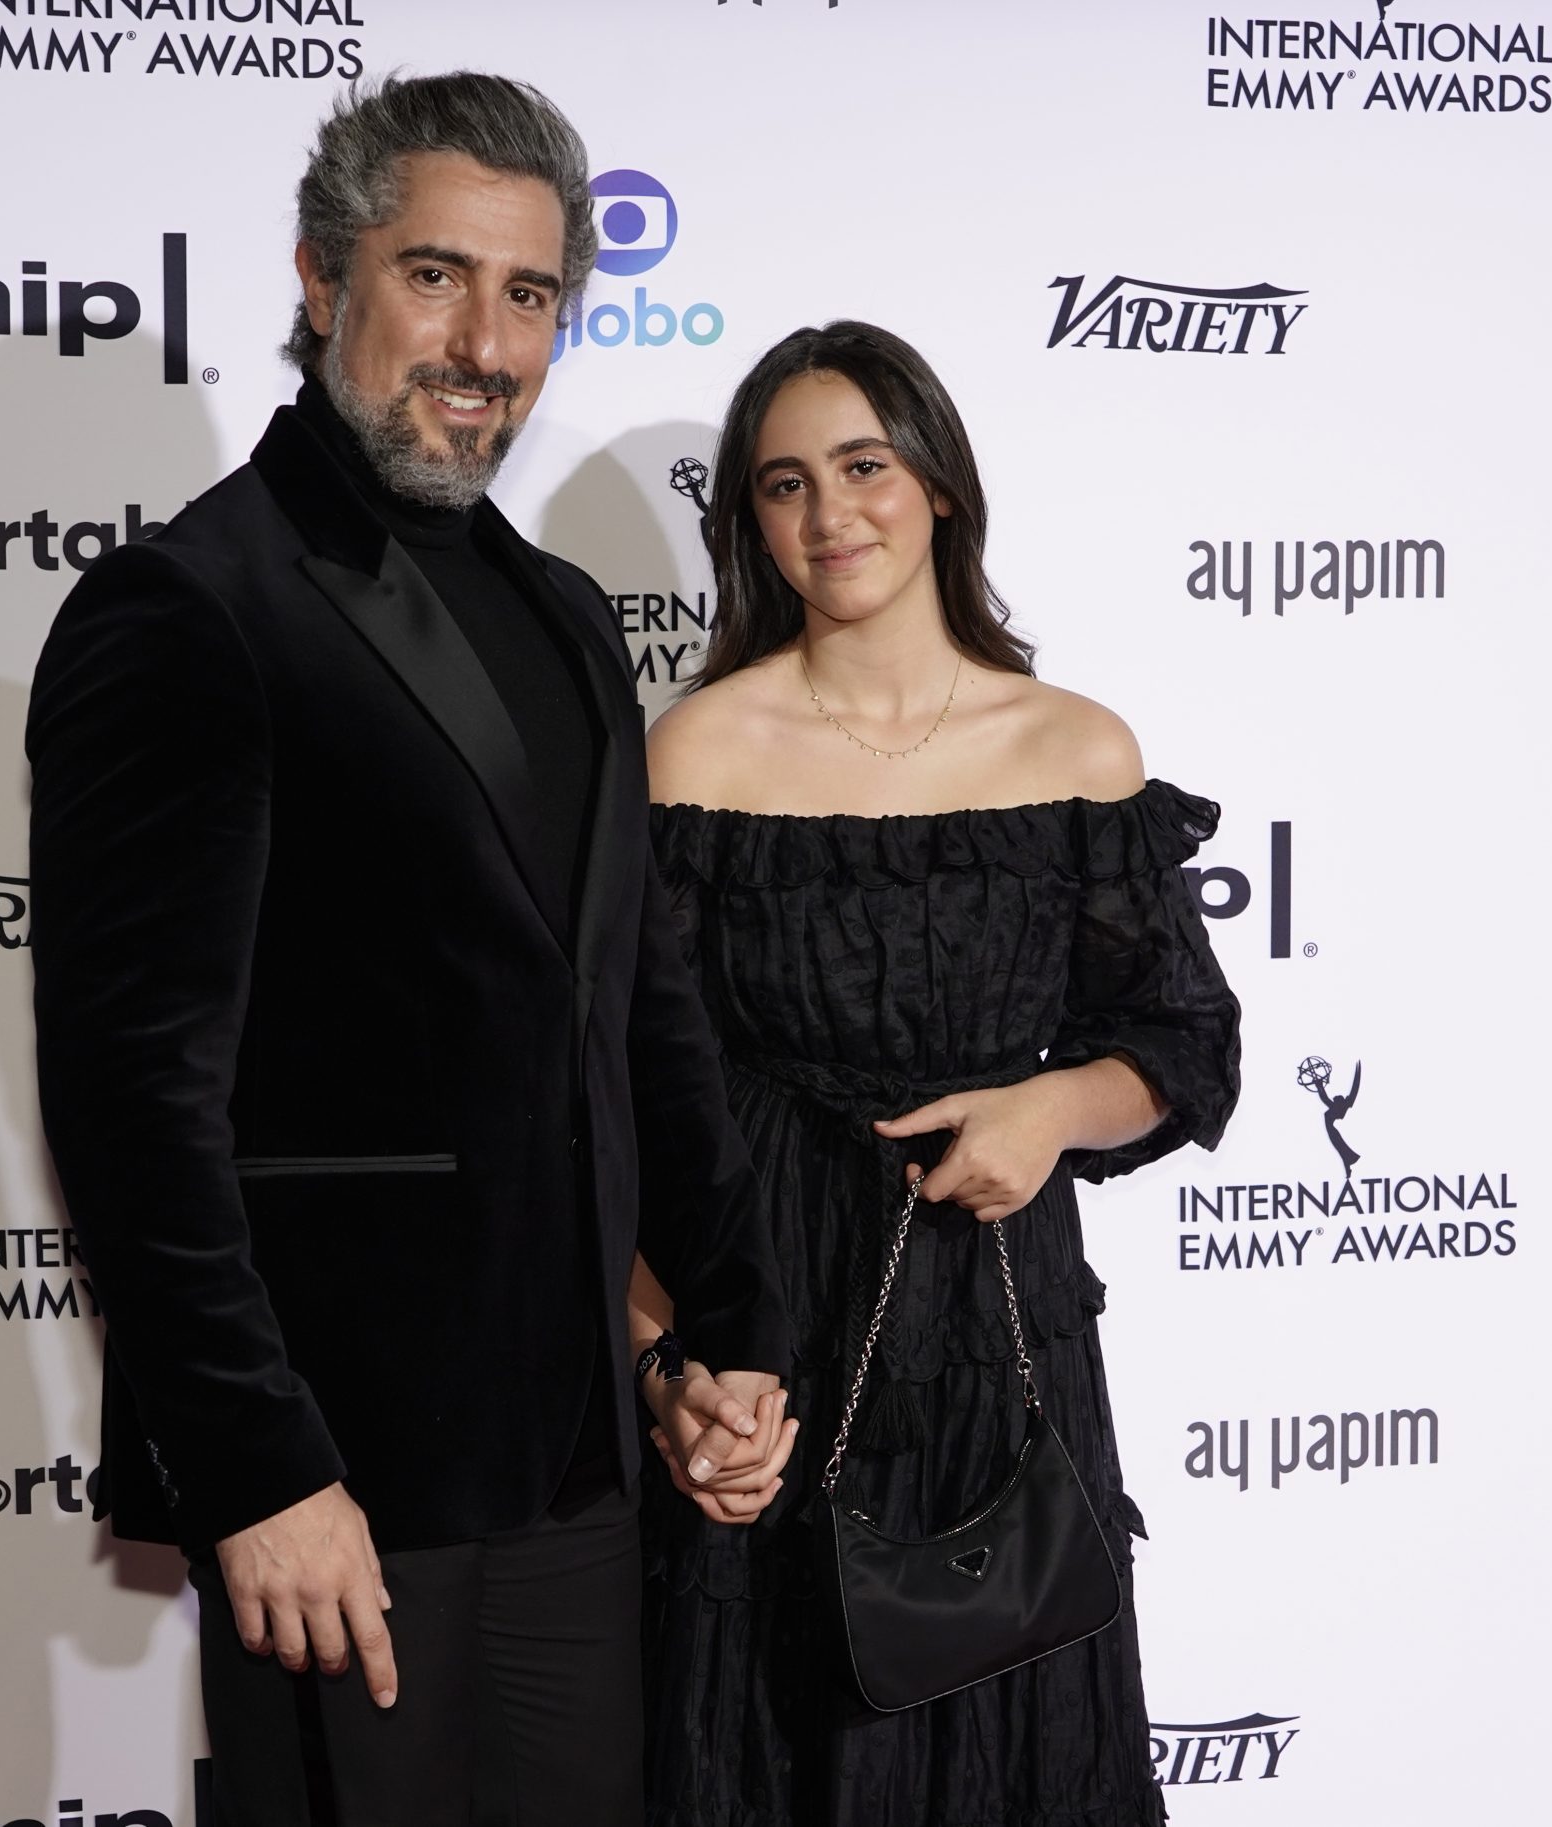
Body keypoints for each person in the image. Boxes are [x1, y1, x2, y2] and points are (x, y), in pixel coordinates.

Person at [24, 73, 794, 1827]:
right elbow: (139, 1102)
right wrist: (260, 1467)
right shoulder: (194, 608)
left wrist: (732, 1329)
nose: (483, 343)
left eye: (528, 296)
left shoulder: (566, 611)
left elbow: (636, 1007)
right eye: (435, 275)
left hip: (580, 1478)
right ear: (321, 280)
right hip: (347, 1486)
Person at [630, 321, 1242, 1826]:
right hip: (767, 1328)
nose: (829, 515)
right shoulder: (696, 751)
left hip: (999, 1320)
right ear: (748, 523)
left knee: (1014, 1748)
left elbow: (1185, 1042)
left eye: (863, 466)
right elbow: (643, 1106)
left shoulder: (1076, 749)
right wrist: (678, 1365)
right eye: (784, 485)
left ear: (942, 487)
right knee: (761, 1748)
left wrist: (1049, 1111)